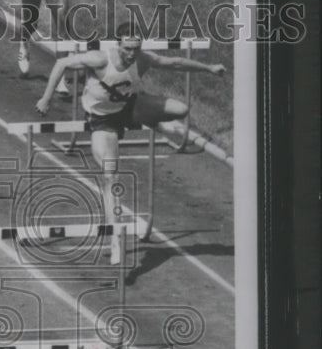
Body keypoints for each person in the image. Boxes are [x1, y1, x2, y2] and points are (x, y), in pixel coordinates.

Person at [35, 21, 227, 263]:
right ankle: (115, 236)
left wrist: (209, 68)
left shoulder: (142, 59)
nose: (131, 54)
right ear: (118, 44)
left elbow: (174, 63)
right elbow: (62, 62)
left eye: (136, 48)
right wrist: (46, 98)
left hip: (130, 108)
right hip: (103, 121)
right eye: (127, 48)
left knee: (181, 108)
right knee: (110, 176)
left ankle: (152, 121)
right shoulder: (99, 59)